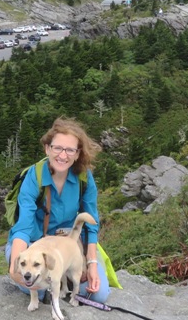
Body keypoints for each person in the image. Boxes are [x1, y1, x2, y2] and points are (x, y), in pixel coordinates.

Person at [6, 117, 110, 303]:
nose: (63, 155)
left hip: (67, 244)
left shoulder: (84, 178)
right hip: (34, 244)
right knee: (36, 289)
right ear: (47, 148)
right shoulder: (34, 177)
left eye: (70, 150)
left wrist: (91, 263)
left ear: (78, 153)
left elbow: (91, 223)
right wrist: (15, 269)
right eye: (57, 148)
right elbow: (22, 227)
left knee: (98, 294)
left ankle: (65, 281)